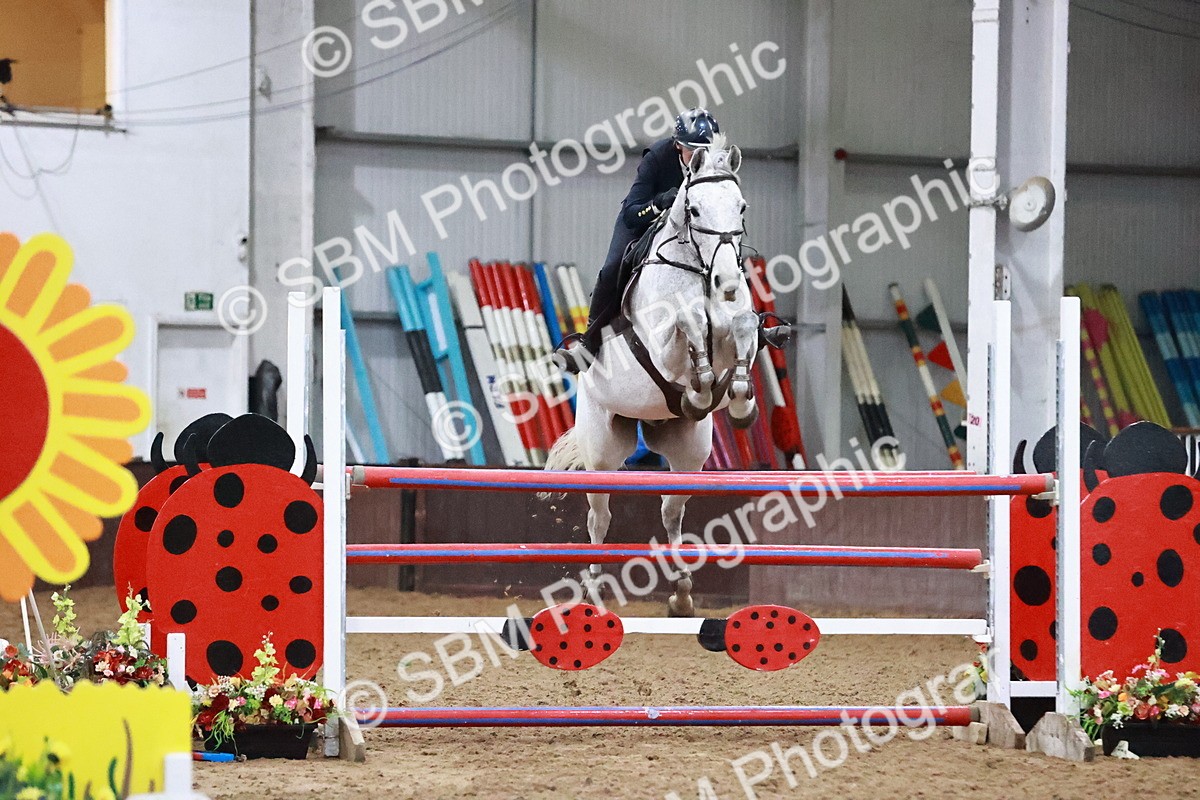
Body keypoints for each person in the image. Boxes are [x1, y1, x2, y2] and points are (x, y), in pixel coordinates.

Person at [555, 108, 720, 373]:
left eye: (706, 151)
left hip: (690, 229)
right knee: (611, 270)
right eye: (693, 152)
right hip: (642, 221)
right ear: (678, 146)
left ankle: (751, 326)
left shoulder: (714, 164)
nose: (701, 159)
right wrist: (659, 203)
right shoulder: (657, 158)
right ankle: (587, 347)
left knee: (726, 257)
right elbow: (633, 211)